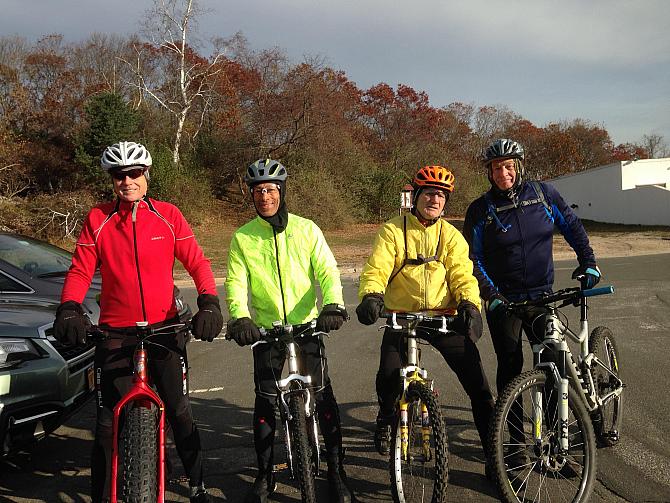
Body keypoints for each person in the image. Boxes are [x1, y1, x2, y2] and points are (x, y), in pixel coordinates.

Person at [53, 141, 223, 503]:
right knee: (104, 423)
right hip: (116, 332)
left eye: (133, 173)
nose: (127, 181)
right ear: (112, 180)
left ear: (146, 175)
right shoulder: (98, 219)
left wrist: (208, 302)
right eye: (119, 175)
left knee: (178, 410)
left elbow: (197, 262)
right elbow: (81, 270)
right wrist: (68, 307)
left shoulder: (168, 215)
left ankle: (197, 484)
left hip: (165, 328)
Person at [225, 159, 353, 503]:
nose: (264, 196)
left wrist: (332, 305)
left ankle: (336, 471)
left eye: (270, 190)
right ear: (251, 195)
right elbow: (236, 282)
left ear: (281, 192)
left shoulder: (306, 229)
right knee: (265, 402)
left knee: (324, 397)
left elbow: (326, 269)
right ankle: (265, 476)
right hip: (266, 330)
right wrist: (240, 317)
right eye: (258, 191)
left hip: (308, 326)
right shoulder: (243, 237)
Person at [463, 138, 600, 453]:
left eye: (508, 166)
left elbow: (573, 227)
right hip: (504, 301)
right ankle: (511, 445)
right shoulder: (481, 209)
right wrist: (491, 294)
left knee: (553, 366)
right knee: (509, 370)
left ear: (519, 167)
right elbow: (473, 258)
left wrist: (589, 263)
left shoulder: (542, 194)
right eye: (497, 168)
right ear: (489, 172)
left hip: (542, 297)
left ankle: (555, 441)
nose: (503, 173)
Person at [356, 165, 495, 469]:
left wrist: (471, 305)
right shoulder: (393, 230)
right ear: (416, 196)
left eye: (441, 195)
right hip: (402, 316)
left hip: (442, 317)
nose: (435, 199)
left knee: (479, 386)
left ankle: (494, 457)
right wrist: (371, 295)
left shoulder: (451, 236)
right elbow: (377, 268)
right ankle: (386, 416)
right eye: (429, 192)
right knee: (389, 376)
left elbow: (462, 274)